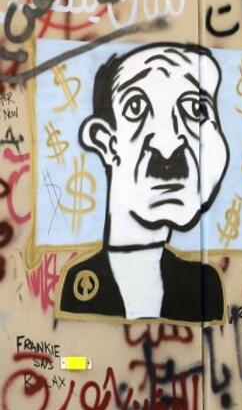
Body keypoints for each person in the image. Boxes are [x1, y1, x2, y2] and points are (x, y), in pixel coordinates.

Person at [59, 42, 230, 323]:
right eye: (136, 107)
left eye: (196, 109)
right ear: (106, 142)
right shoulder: (79, 285)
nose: (167, 144)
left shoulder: (204, 284)